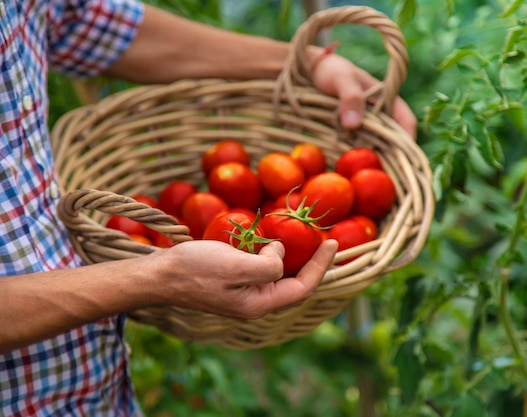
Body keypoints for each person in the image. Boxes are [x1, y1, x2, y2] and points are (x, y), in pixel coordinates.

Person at [0, 0, 417, 415]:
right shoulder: (259, 218)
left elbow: (86, 21)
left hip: (99, 396)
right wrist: (152, 276)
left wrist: (303, 63)